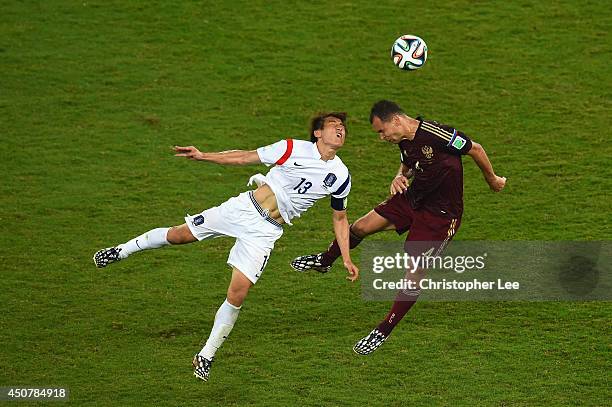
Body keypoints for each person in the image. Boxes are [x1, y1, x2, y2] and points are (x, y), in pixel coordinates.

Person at [93, 112, 358, 381]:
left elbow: (340, 217)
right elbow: (244, 156)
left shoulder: (341, 176)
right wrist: (203, 155)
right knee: (179, 235)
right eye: (334, 126)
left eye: (343, 128)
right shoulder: (291, 148)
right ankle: (121, 250)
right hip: (242, 209)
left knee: (238, 294)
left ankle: (206, 355)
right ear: (317, 133)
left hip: (266, 232)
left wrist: (345, 257)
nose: (341, 130)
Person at [291, 100, 506, 355]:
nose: (382, 137)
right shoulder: (403, 141)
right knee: (360, 227)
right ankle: (325, 260)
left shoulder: (438, 135)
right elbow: (407, 163)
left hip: (440, 216)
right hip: (413, 199)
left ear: (396, 121)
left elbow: (476, 149)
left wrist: (492, 179)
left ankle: (383, 329)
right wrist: (399, 176)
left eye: (381, 131)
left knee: (414, 272)